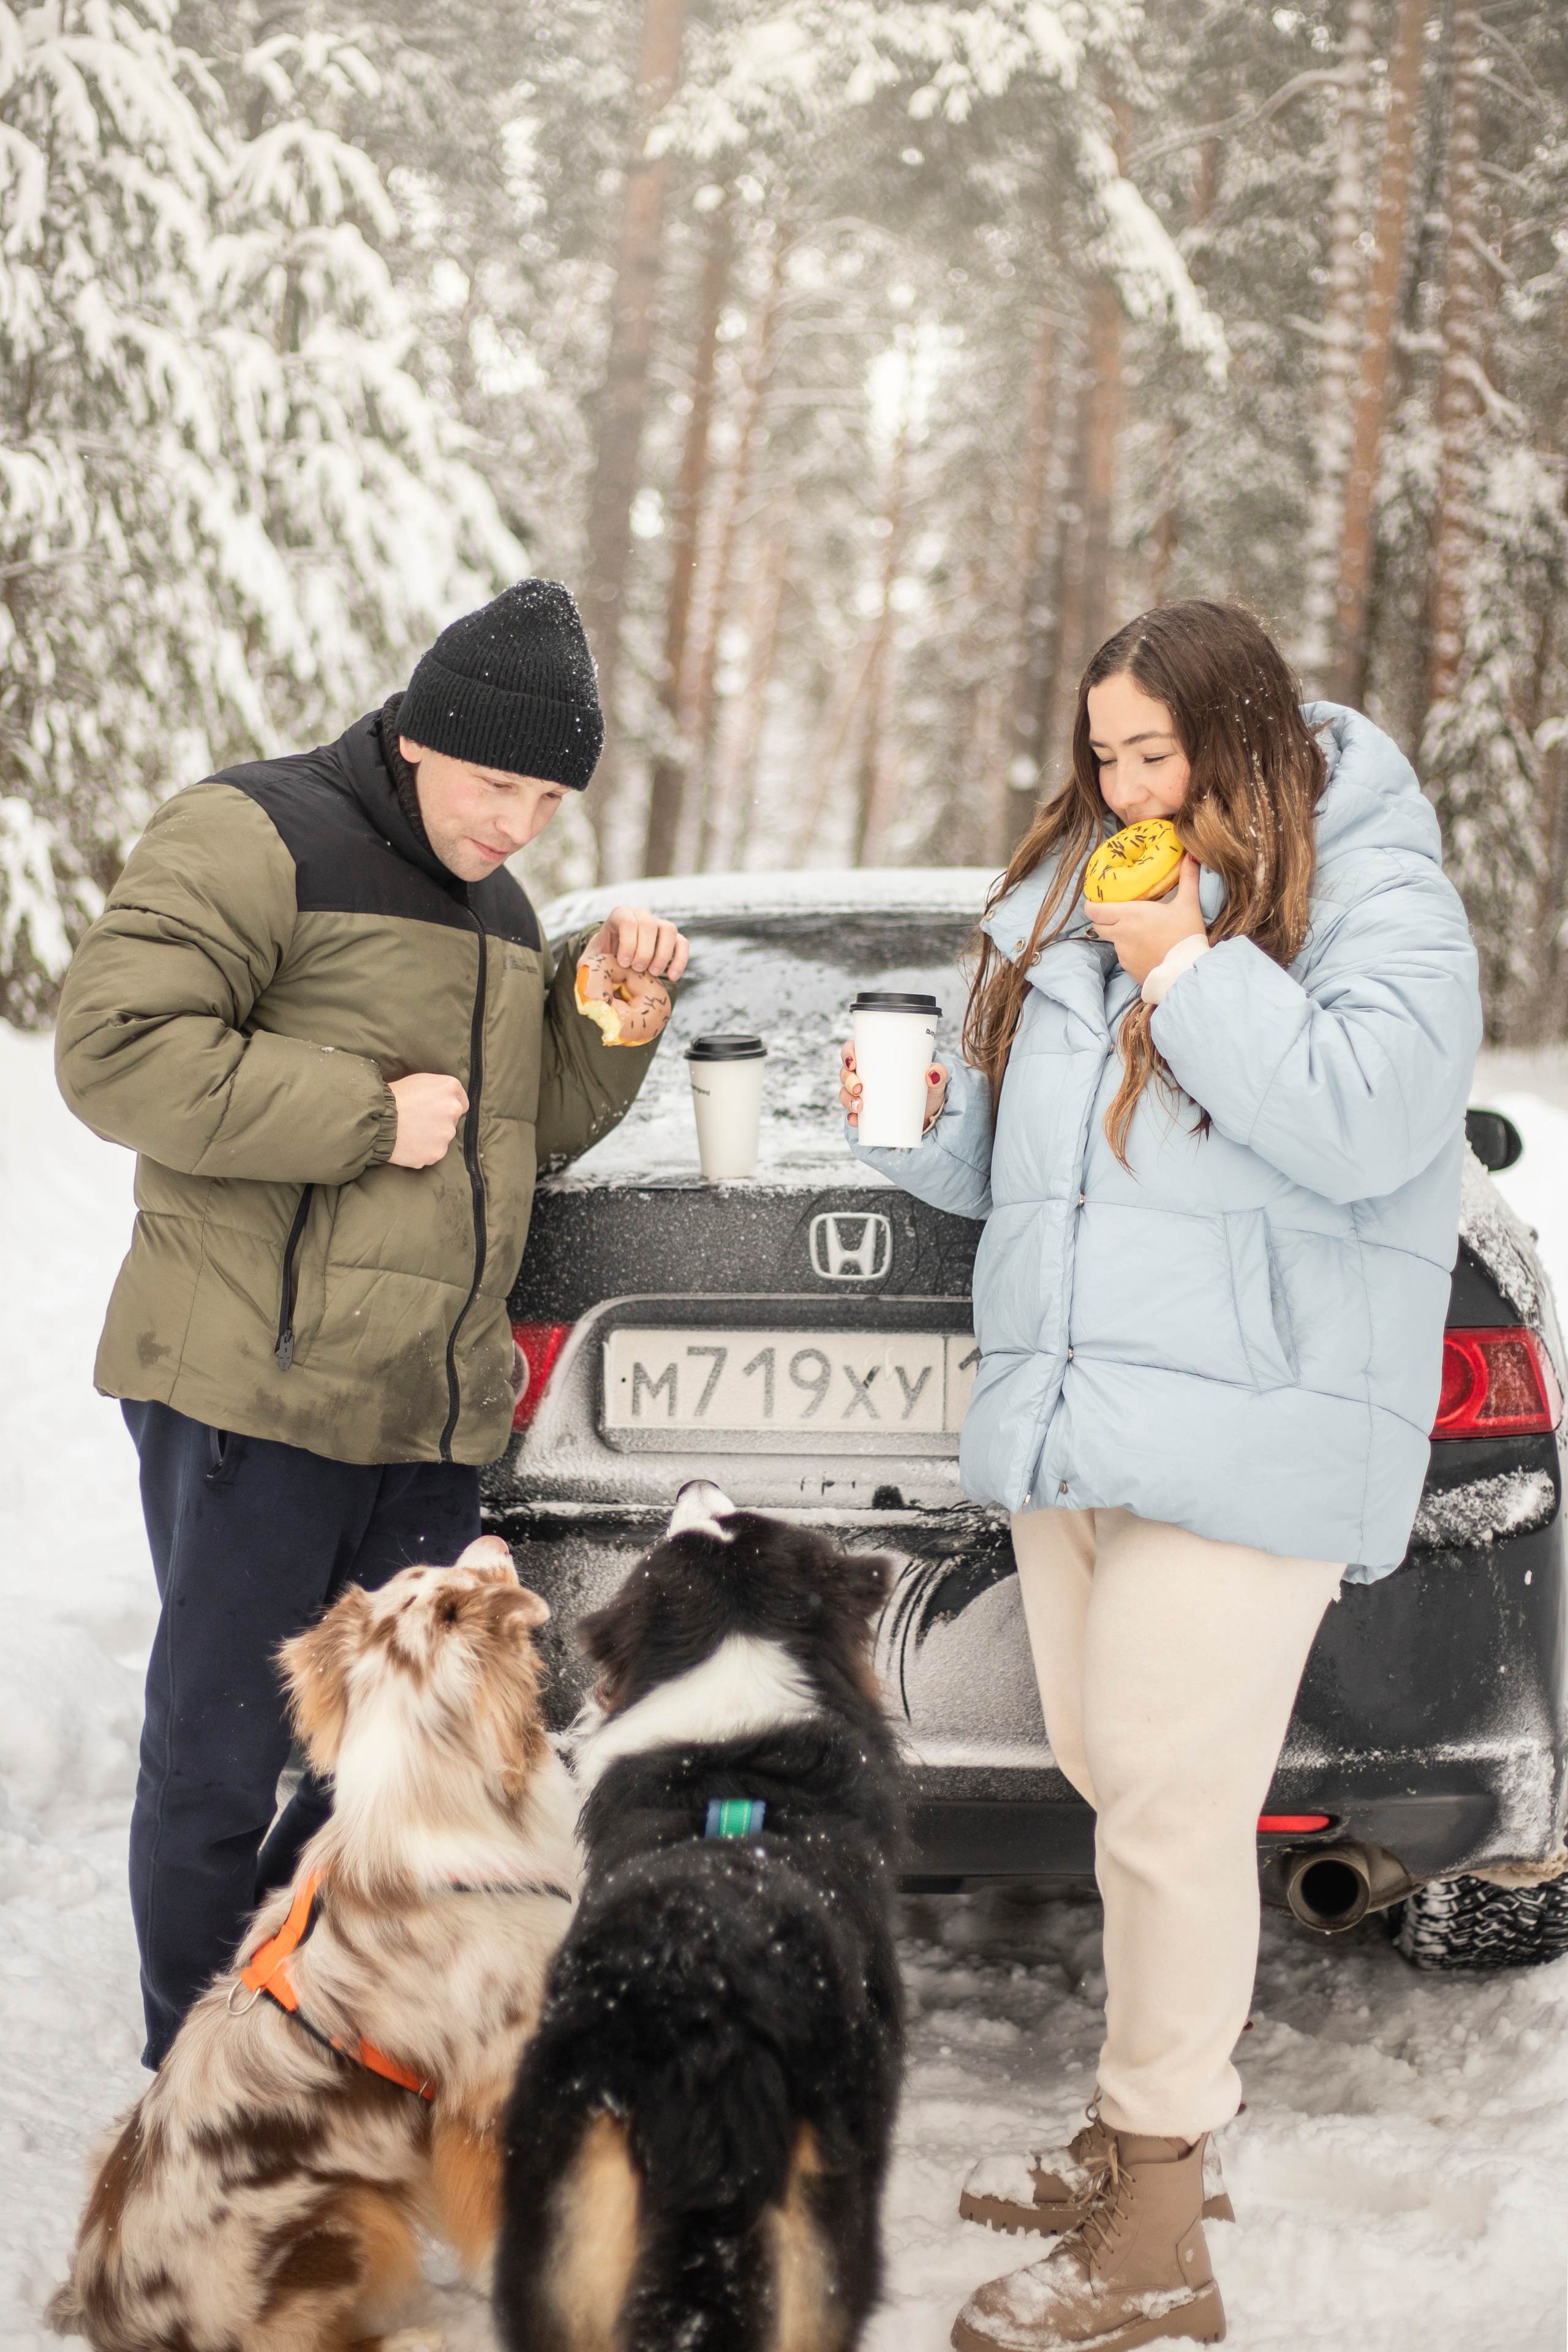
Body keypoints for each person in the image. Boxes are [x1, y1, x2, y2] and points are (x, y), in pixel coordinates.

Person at [840, 599, 1481, 2352]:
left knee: (1176, 1813)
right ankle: (1158, 2152)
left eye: (1156, 754)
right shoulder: (1084, 889)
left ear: (1245, 735)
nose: (1125, 783)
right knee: (1113, 1771)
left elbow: (1367, 1117)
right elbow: (1028, 1172)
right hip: (1083, 1421)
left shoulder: (1377, 894)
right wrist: (904, 1119)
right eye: (1103, 755)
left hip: (1254, 1418)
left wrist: (1184, 966)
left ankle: (1157, 2238)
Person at [55, 578, 689, 2070]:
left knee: (406, 1775)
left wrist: (602, 1024)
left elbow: (515, 1140)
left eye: (548, 798)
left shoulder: (505, 908)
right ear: (418, 739)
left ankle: (298, 2028)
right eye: (497, 786)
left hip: (428, 1411)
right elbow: (112, 1051)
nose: (520, 824)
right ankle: (197, 2079)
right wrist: (356, 1113)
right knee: (218, 1765)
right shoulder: (253, 833)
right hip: (255, 1396)